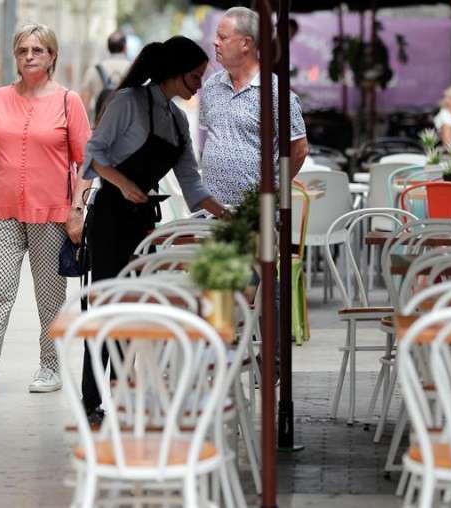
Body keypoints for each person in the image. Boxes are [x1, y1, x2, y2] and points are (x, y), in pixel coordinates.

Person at [81, 36, 228, 421]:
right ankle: (92, 399)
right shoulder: (127, 102)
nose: (199, 84)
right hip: (111, 217)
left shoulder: (178, 121)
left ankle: (121, 392)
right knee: (106, 306)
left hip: (144, 220)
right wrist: (123, 184)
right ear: (174, 73)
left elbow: (192, 184)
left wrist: (226, 214)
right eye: (195, 76)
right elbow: (92, 154)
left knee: (134, 308)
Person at [0, 24, 91, 396]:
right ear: (14, 56)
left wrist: (77, 207)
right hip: (2, 210)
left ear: (52, 56)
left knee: (48, 293)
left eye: (37, 50)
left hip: (51, 213)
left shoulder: (69, 101)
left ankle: (49, 366)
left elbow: (87, 162)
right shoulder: (0, 97)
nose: (29, 56)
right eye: (22, 51)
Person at [200, 6, 308, 207]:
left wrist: (275, 187)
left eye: (222, 38)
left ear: (245, 44)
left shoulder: (276, 93)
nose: (215, 42)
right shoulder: (211, 86)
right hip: (210, 211)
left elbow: (299, 149)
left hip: (256, 213)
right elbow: (210, 138)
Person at [79, 31, 131, 122]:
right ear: (125, 48)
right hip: (127, 128)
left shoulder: (94, 70)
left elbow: (84, 106)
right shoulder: (133, 69)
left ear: (108, 48)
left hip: (101, 127)